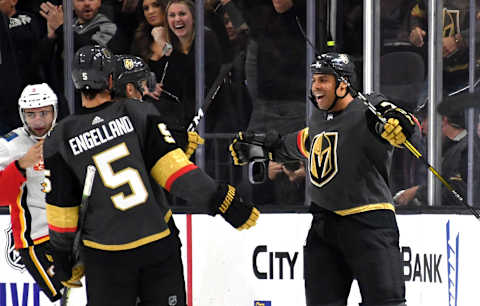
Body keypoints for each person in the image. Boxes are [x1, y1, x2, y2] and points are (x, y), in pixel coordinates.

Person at [43, 45, 259, 306]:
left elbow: (61, 210)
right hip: (156, 245)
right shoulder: (137, 113)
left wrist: (64, 258)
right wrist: (223, 200)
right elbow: (177, 176)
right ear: (111, 79)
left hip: (105, 256)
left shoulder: (60, 138)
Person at [230, 52, 414, 306]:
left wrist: (399, 125)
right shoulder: (319, 116)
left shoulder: (368, 109)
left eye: (323, 79)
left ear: (343, 84)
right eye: (314, 79)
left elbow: (396, 120)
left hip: (369, 225)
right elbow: (308, 142)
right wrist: (269, 149)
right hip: (324, 226)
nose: (315, 86)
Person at [0, 83, 81, 303]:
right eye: (31, 114)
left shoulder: (68, 137)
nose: (37, 120)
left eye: (43, 113)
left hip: (74, 233)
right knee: (65, 297)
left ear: (54, 110)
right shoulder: (9, 145)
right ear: (21, 114)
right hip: (36, 240)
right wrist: (20, 166)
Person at [394, 93, 480, 206]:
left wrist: (416, 192)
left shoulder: (469, 148)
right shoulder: (454, 149)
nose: (422, 126)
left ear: (443, 120)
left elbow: (461, 193)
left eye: (424, 119)